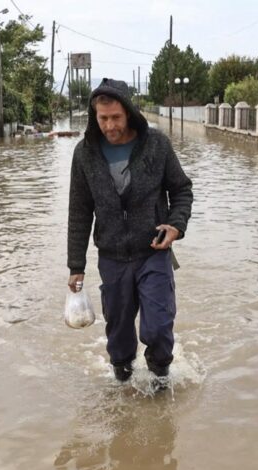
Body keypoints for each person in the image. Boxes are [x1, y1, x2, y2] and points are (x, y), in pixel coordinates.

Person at [67, 78, 193, 390]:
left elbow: (182, 190)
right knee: (119, 330)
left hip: (154, 252)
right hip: (112, 257)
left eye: (116, 117)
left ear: (130, 113)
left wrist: (175, 226)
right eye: (103, 118)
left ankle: (161, 382)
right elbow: (79, 212)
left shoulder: (156, 146)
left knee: (159, 326)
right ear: (94, 116)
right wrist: (76, 266)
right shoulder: (85, 154)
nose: (109, 125)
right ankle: (122, 382)